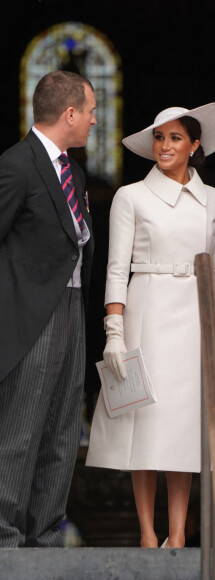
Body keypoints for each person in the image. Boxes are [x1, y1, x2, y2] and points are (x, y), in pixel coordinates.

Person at [86, 105, 215, 548]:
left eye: (175, 138)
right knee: (146, 422)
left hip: (195, 318)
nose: (165, 146)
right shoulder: (130, 196)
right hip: (146, 311)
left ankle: (177, 533)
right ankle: (147, 533)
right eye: (159, 137)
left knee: (183, 426)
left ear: (195, 146)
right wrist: (114, 331)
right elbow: (116, 269)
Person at [0, 70, 96, 547]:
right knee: (21, 430)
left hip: (73, 307)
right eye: (91, 112)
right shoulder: (17, 165)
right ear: (70, 113)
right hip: (30, 316)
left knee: (63, 431)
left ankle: (45, 537)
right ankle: (5, 537)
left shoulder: (73, 172)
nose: (95, 121)